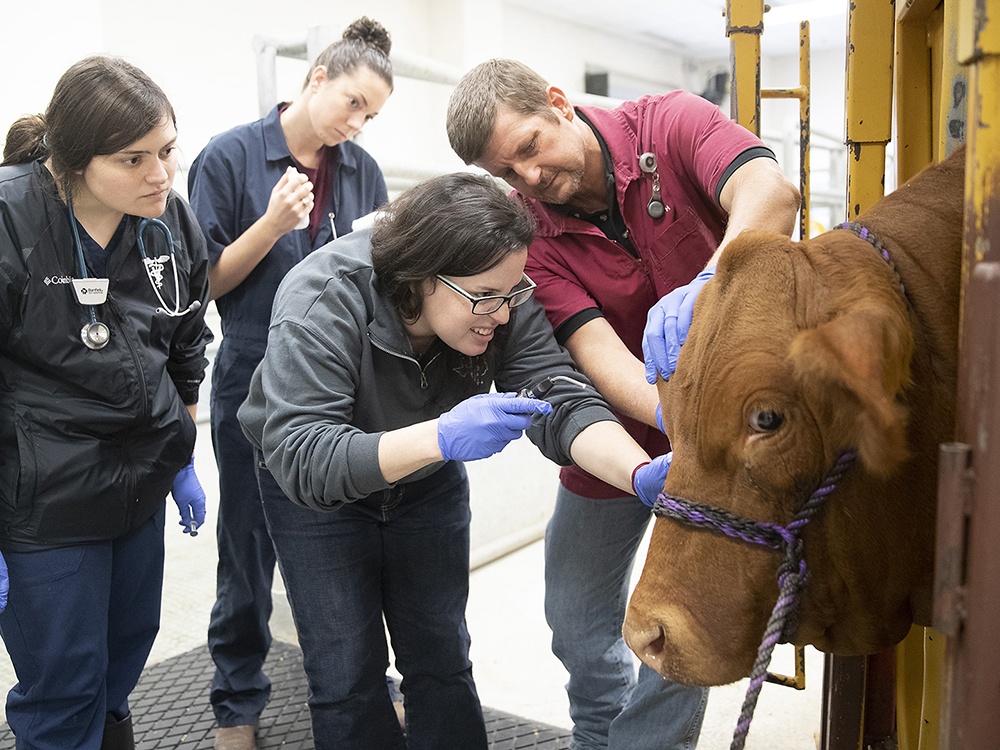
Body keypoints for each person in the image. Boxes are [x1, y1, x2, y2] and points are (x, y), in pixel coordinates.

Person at [237, 172, 674, 750]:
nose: (500, 314)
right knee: (345, 671)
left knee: (440, 654)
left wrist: (637, 471)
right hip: (320, 498)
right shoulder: (324, 295)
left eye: (512, 293)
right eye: (484, 298)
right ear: (422, 277)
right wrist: (440, 437)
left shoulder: (502, 297)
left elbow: (558, 394)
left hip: (425, 485)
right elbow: (306, 457)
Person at [446, 58, 801, 750]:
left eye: (528, 149)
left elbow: (771, 192)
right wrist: (671, 417)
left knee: (685, 615)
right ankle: (601, 736)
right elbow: (596, 351)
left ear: (558, 102)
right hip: (621, 438)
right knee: (575, 617)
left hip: (729, 438)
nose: (529, 180)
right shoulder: (530, 232)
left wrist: (712, 279)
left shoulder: (670, 124)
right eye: (506, 172)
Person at [186, 18, 394, 750]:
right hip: (254, 376)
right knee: (247, 551)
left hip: (345, 378)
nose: (357, 123)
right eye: (353, 103)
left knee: (359, 543)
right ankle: (235, 708)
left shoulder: (361, 168)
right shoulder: (229, 158)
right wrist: (273, 224)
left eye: (371, 114)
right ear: (315, 79)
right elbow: (206, 282)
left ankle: (368, 684)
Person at [0, 55, 212, 750]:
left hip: (140, 482)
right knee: (65, 682)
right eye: (133, 158)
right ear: (74, 160)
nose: (161, 174)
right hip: (43, 497)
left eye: (167, 151)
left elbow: (185, 336)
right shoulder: (12, 218)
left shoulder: (167, 219)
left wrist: (179, 447)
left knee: (123, 657)